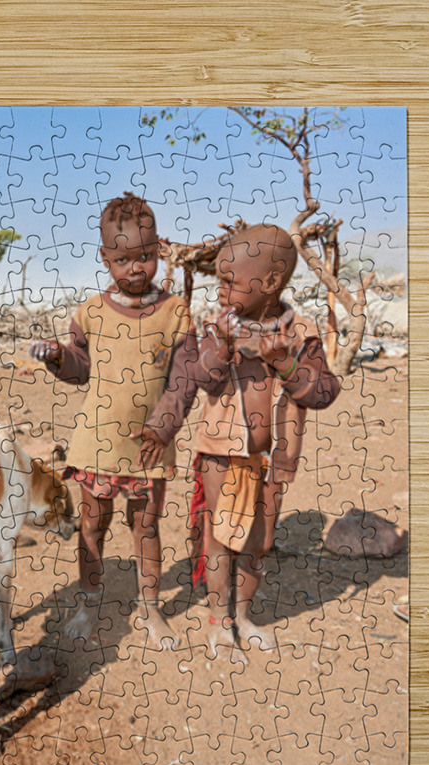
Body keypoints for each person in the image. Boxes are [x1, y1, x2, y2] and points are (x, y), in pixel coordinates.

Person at [139, 224, 341, 659]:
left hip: (273, 459)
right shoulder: (216, 328)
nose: (221, 290)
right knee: (220, 537)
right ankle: (218, 620)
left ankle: (244, 615)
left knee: (258, 542)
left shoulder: (300, 332)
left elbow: (322, 392)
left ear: (269, 283)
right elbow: (194, 379)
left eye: (230, 281)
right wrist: (162, 424)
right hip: (219, 453)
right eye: (219, 280)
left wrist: (285, 363)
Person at [29, 192, 196, 650]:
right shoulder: (91, 312)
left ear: (159, 250)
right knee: (92, 526)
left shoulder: (176, 313)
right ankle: (88, 603)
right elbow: (80, 369)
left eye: (145, 256)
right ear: (105, 258)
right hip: (95, 446)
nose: (135, 267)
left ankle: (151, 608)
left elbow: (185, 378)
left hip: (148, 448)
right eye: (123, 259)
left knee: (146, 528)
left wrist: (164, 425)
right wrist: (59, 357)